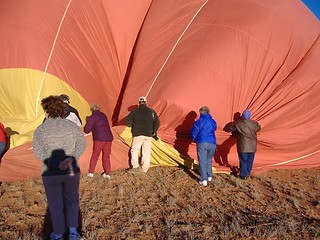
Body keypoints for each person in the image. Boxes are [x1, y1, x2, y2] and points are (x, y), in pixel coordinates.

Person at [33, 95, 87, 240]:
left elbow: (38, 150)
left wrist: (53, 163)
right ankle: (73, 232)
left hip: (50, 173)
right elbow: (82, 144)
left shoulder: (41, 129)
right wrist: (71, 158)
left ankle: (57, 233)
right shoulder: (71, 126)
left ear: (47, 111)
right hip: (71, 171)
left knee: (55, 203)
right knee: (72, 201)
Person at [125, 96, 160, 173]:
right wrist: (154, 130)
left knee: (134, 150)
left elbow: (127, 123)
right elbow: (157, 122)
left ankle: (135, 167)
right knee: (146, 151)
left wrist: (133, 125)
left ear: (139, 103)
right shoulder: (152, 112)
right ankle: (144, 169)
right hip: (148, 135)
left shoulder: (134, 112)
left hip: (138, 134)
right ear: (146, 102)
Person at [226, 109, 261, 179]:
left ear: (242, 116)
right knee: (250, 160)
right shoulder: (254, 123)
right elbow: (259, 128)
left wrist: (235, 133)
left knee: (243, 160)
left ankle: (244, 175)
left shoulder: (238, 123)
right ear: (250, 116)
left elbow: (228, 128)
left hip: (242, 146)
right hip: (252, 145)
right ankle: (247, 173)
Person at [83, 104, 113, 179]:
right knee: (106, 156)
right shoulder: (103, 115)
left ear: (91, 110)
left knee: (95, 155)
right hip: (109, 138)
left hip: (99, 138)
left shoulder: (92, 117)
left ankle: (91, 172)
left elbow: (87, 130)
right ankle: (108, 173)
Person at [191, 106, 217, 186]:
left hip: (202, 142)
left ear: (200, 113)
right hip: (212, 142)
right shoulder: (212, 121)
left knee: (202, 161)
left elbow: (194, 132)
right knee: (208, 159)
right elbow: (215, 128)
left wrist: (193, 138)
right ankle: (209, 176)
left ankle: (203, 180)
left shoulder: (199, 122)